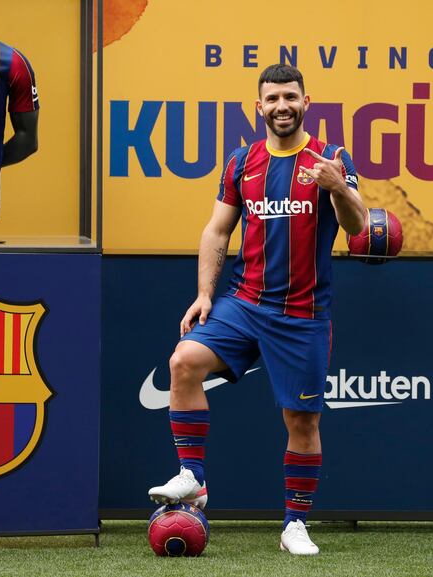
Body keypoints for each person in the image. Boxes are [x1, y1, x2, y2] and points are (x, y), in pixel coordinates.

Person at [148, 64, 365, 555]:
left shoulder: (332, 158)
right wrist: (205, 293)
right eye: (272, 99)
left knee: (301, 423)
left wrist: (338, 186)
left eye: (291, 97)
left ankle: (294, 524)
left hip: (302, 314)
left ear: (307, 102)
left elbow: (355, 227)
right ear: (259, 107)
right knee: (183, 362)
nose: (282, 106)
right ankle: (194, 480)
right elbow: (217, 231)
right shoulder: (242, 161)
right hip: (244, 303)